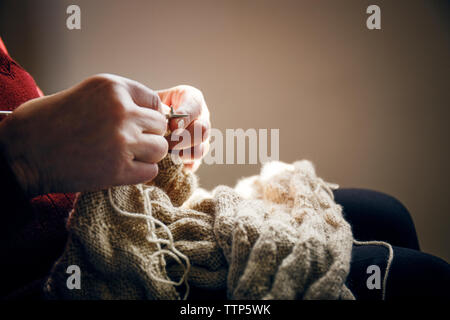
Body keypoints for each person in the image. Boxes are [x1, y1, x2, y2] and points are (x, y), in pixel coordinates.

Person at [0, 37, 448, 300]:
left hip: (77, 216)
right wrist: (24, 157)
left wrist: (138, 120)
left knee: (384, 212)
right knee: (424, 281)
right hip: (50, 271)